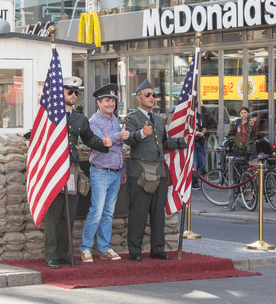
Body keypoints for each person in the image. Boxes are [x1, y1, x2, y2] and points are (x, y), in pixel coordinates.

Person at [42, 76, 112, 269]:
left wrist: (103, 144)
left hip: (72, 170)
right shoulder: (50, 114)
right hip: (55, 171)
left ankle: (64, 252)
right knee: (53, 215)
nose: (73, 95)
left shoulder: (79, 118)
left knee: (68, 214)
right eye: (69, 91)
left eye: (76, 93)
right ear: (60, 93)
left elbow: (89, 139)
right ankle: (51, 254)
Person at [123, 79, 187, 262]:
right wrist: (142, 133)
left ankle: (157, 249)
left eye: (153, 95)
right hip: (141, 171)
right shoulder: (132, 118)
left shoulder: (158, 119)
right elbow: (128, 140)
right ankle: (135, 251)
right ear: (138, 98)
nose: (151, 98)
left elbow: (165, 143)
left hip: (159, 172)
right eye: (147, 95)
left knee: (158, 213)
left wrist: (183, 142)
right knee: (139, 212)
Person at [80, 83, 130, 263]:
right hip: (100, 172)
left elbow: (119, 148)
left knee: (108, 213)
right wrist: (119, 136)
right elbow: (101, 142)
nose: (111, 103)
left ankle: (104, 247)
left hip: (115, 173)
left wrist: (122, 168)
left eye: (113, 100)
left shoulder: (114, 120)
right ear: (99, 102)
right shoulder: (94, 121)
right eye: (107, 100)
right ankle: (85, 248)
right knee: (97, 211)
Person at [192, 111, 207, 190]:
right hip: (191, 143)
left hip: (200, 142)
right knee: (194, 163)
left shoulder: (200, 116)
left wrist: (202, 133)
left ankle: (193, 178)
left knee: (202, 162)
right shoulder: (188, 115)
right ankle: (195, 182)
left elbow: (204, 128)